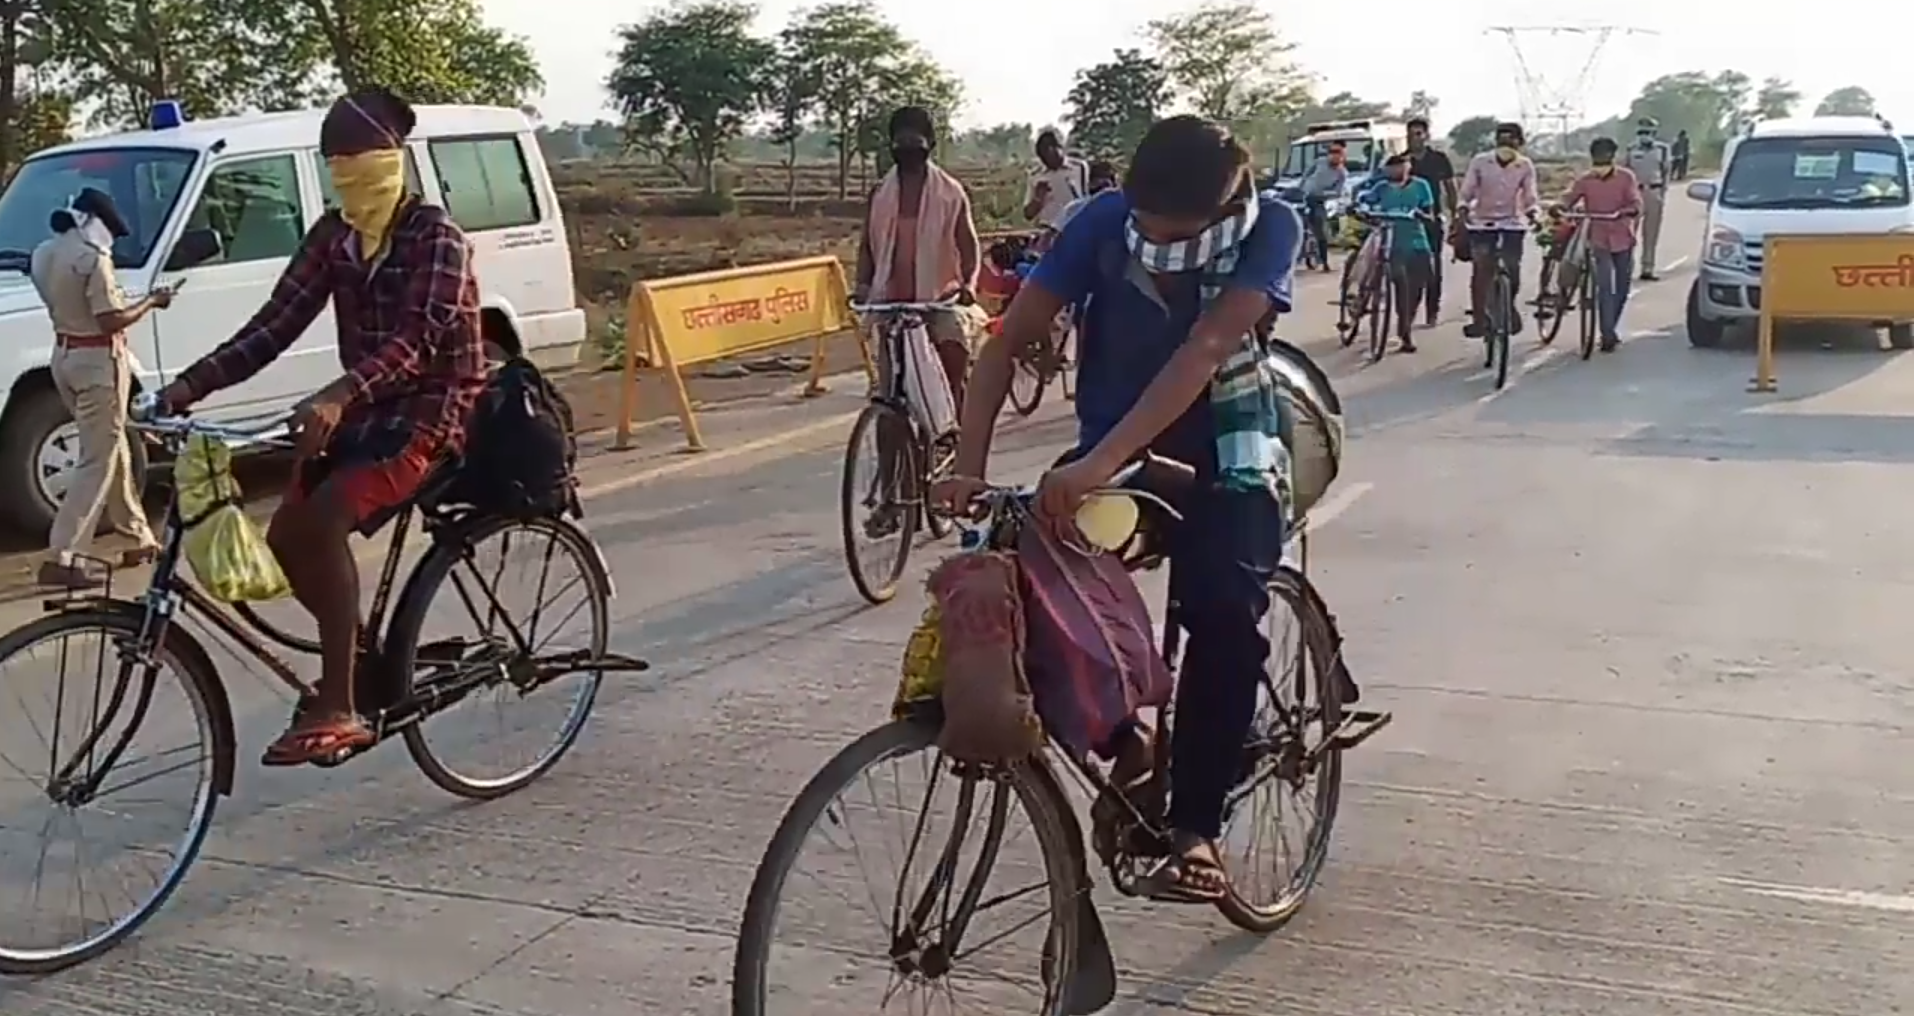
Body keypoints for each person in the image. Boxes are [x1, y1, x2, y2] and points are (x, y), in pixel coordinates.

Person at [933, 115, 1301, 902]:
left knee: (1222, 614)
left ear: (1221, 203)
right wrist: (968, 464)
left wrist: (1099, 463)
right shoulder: (1103, 222)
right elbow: (1007, 340)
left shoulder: (1271, 225)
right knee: (1027, 593)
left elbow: (1204, 350)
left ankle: (1197, 828)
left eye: (1172, 231)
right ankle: (1125, 740)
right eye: (1144, 224)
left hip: (1224, 452)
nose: (1151, 240)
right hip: (1116, 450)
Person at [155, 88, 488, 766]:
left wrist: (337, 394)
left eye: (362, 164)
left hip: (433, 410)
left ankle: (340, 700)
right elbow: (272, 327)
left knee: (329, 514)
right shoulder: (333, 237)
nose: (350, 181)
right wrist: (184, 388)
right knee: (285, 534)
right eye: (336, 166)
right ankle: (361, 658)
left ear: (395, 162)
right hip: (366, 409)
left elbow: (415, 346)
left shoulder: (437, 238)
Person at [28, 188, 168, 589]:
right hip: (98, 364)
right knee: (97, 460)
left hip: (65, 357)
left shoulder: (45, 253)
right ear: (95, 223)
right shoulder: (93, 259)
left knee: (112, 448)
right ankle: (63, 555)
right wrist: (152, 302)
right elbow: (111, 319)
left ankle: (138, 537)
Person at [853, 106, 981, 537]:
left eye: (915, 142)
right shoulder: (880, 193)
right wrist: (863, 287)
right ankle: (891, 500)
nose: (908, 149)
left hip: (938, 303)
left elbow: (968, 244)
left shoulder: (950, 193)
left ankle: (955, 464)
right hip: (892, 307)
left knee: (950, 382)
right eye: (901, 142)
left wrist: (969, 285)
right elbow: (867, 248)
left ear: (929, 146)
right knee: (889, 407)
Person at [1556, 136, 1643, 352]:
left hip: (1622, 235)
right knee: (1604, 285)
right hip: (1598, 236)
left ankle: (1609, 325)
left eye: (1605, 159)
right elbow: (1570, 196)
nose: (1601, 165)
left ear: (1613, 157)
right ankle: (1607, 333)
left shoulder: (1626, 177)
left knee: (1622, 286)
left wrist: (1629, 211)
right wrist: (1559, 206)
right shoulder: (1586, 180)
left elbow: (1635, 201)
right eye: (1597, 159)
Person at [1458, 121, 1540, 338]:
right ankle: (1478, 319)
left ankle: (1506, 305)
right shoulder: (1480, 162)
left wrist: (1533, 212)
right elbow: (1467, 190)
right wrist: (1463, 207)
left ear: (1519, 144)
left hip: (1512, 222)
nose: (1506, 144)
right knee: (1481, 269)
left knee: (1512, 269)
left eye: (1511, 140)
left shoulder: (1525, 165)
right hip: (1482, 222)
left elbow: (1529, 195)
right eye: (1502, 139)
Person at [1356, 153, 1435, 353]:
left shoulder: (1421, 186)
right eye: (1392, 168)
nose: (1396, 171)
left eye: (1401, 166)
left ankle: (1405, 325)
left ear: (1408, 167)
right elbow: (1365, 200)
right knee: (1401, 283)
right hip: (1389, 242)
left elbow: (1429, 212)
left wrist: (1422, 215)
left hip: (1416, 241)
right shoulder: (1381, 188)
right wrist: (1361, 208)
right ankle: (1402, 329)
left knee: (1417, 287)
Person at [1405, 117, 1458, 326]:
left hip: (1432, 219)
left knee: (1433, 268)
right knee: (1409, 270)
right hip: (1408, 221)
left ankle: (1432, 310)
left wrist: (1455, 215)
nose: (1414, 138)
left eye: (1418, 134)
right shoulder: (1403, 160)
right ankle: (1408, 312)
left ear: (1426, 135)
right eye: (1410, 134)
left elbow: (1450, 188)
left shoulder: (1439, 159)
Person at [1625, 116, 1671, 280]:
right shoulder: (1631, 149)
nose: (1644, 135)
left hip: (1654, 191)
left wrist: (1663, 194)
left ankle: (1648, 268)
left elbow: (1666, 172)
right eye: (1641, 131)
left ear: (1654, 132)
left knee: (1651, 234)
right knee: (1629, 233)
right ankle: (1626, 268)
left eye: (1648, 131)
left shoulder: (1662, 149)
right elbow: (1626, 173)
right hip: (1635, 193)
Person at [1023, 127, 1089, 229]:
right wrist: (1038, 198)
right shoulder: (1036, 176)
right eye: (1043, 156)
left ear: (1061, 148)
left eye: (1053, 152)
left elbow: (1086, 198)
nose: (1048, 159)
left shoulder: (1079, 167)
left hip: (1074, 226)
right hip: (1047, 229)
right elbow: (1028, 215)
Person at [1298, 142, 1348, 271]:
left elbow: (1338, 191)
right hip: (1304, 197)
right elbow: (1306, 175)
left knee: (1321, 231)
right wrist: (1301, 188)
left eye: (1338, 153)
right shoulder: (1319, 163)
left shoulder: (1341, 173)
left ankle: (1324, 261)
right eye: (1332, 153)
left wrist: (1325, 194)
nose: (1334, 156)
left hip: (1319, 201)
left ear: (1343, 156)